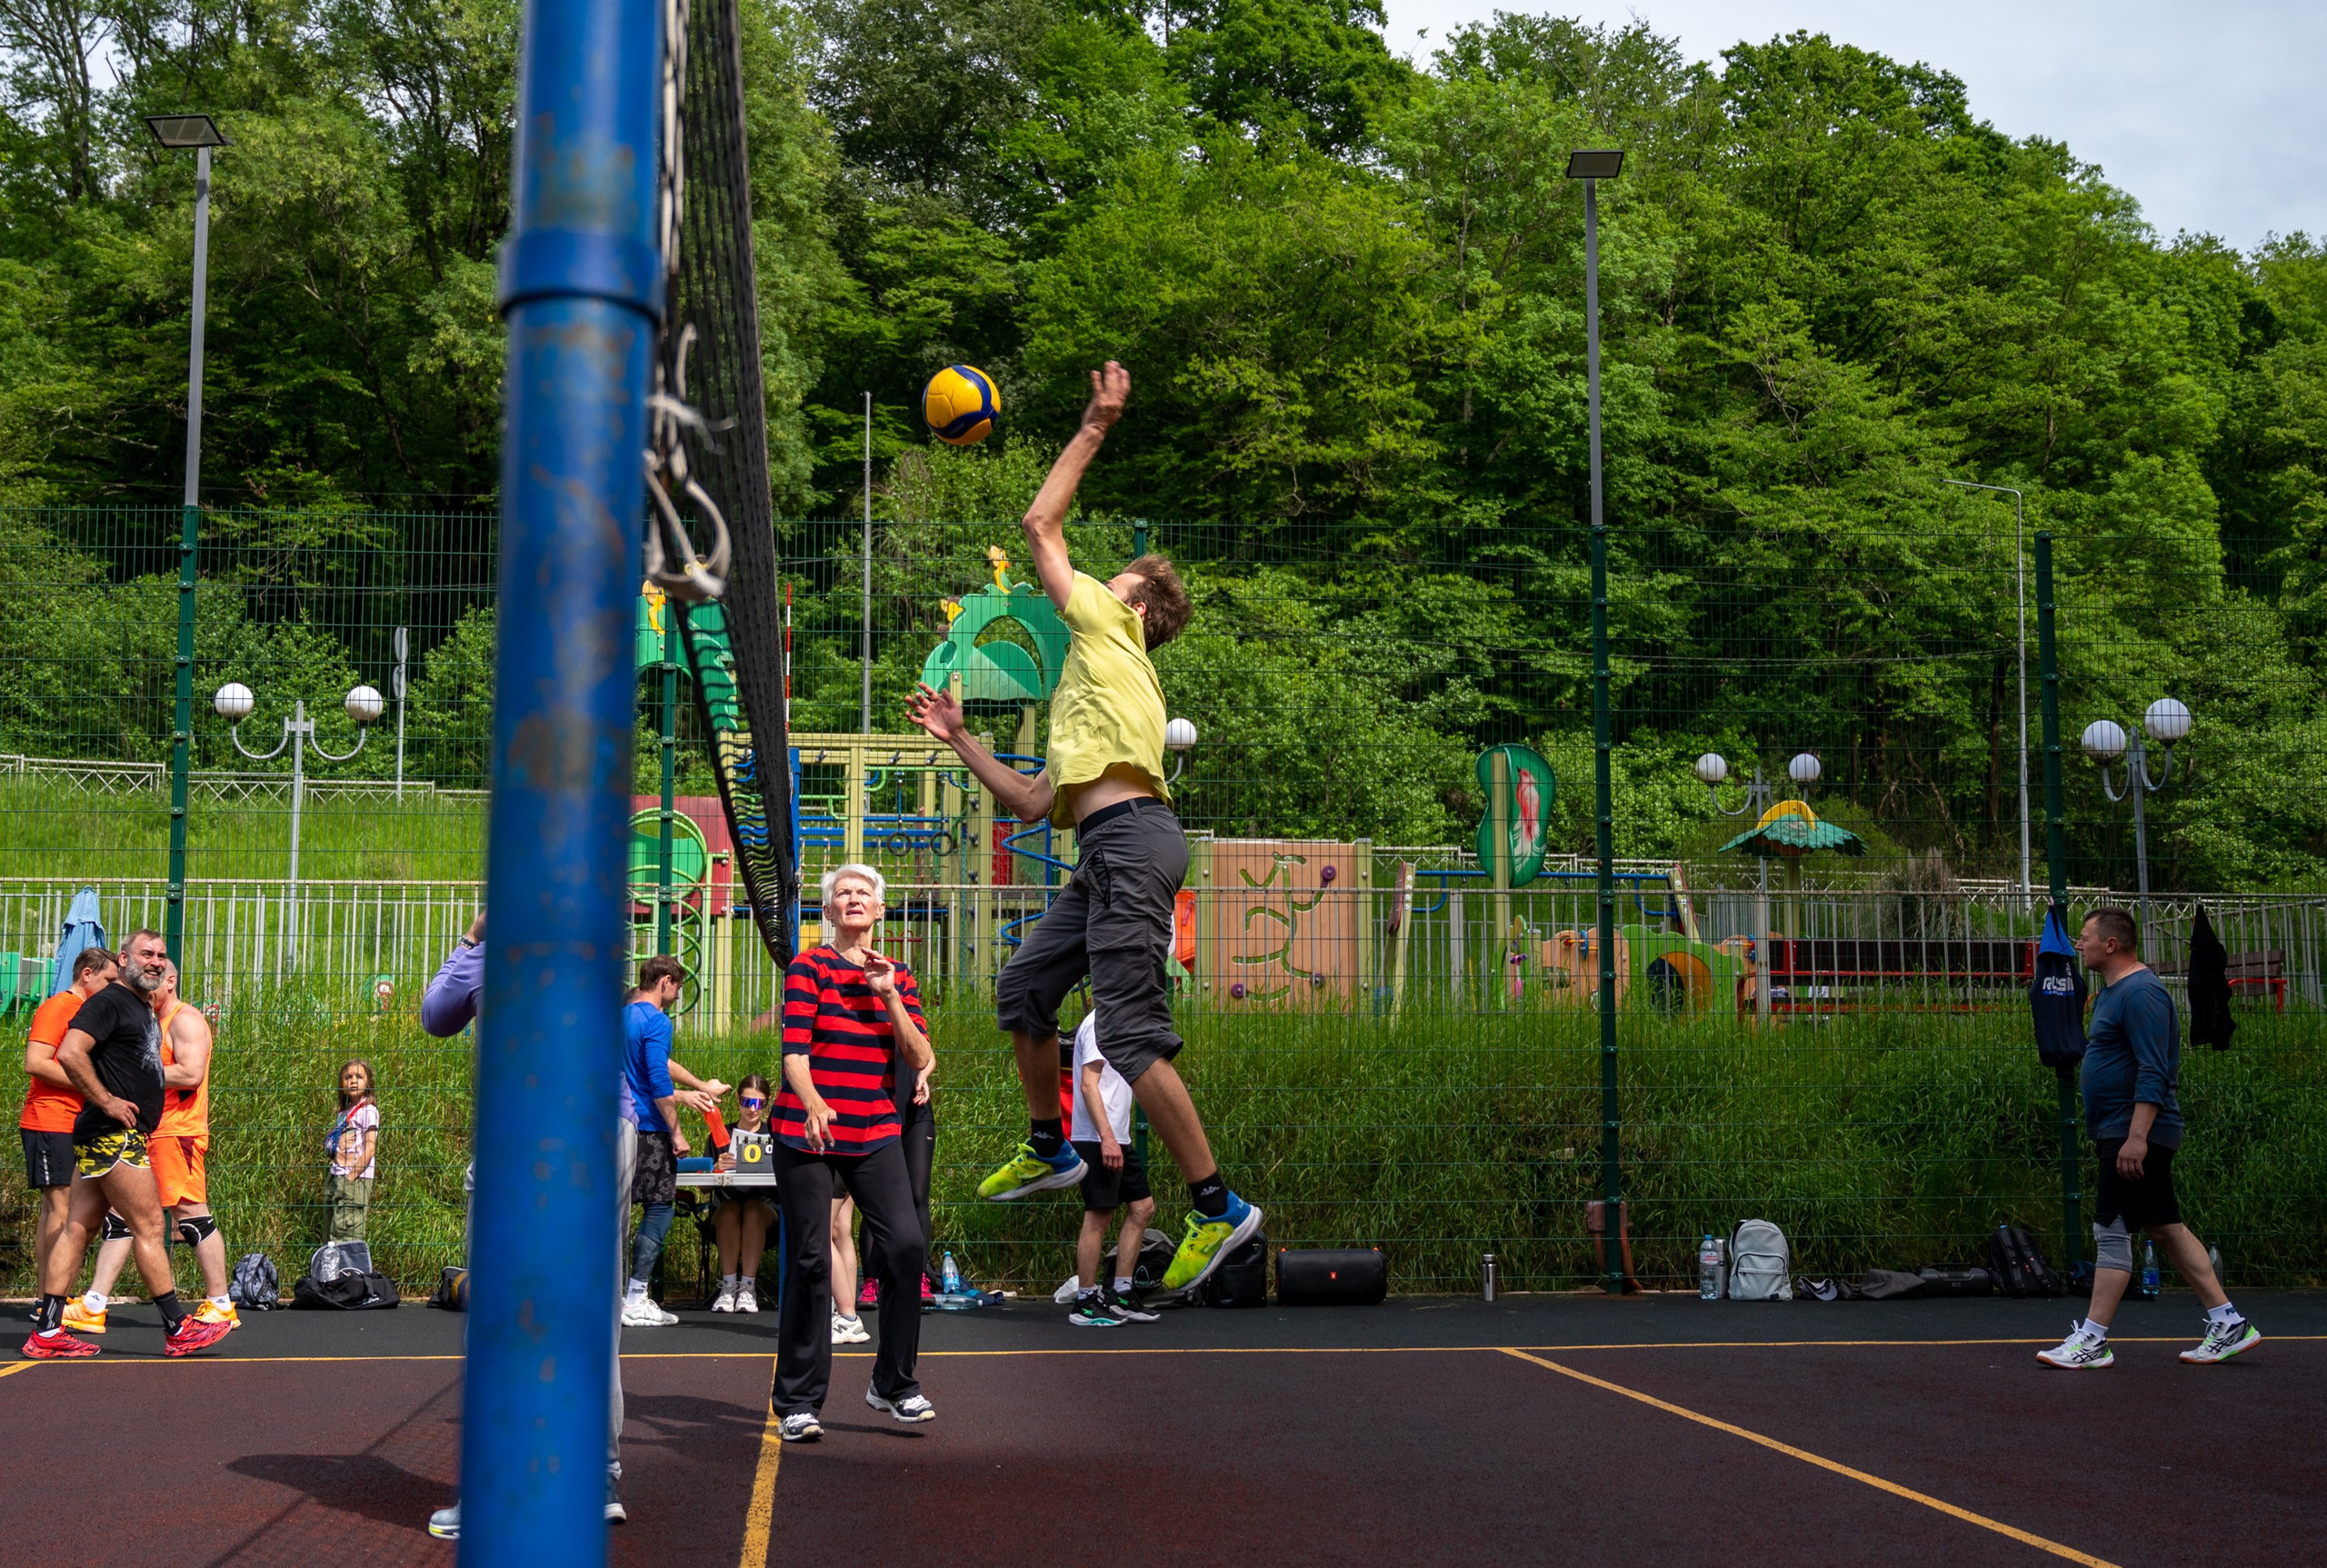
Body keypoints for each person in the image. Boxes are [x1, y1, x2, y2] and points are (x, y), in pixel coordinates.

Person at [906, 359, 1259, 1296]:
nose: (1098, 580)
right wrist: (958, 738)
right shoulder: (1092, 689)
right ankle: (1049, 1147)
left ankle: (1221, 1209)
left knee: (1134, 1039)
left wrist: (1097, 422)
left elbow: (1038, 525)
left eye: (1119, 576)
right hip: (1109, 846)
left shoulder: (1110, 631)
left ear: (1135, 603)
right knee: (1024, 990)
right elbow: (1028, 806)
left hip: (1134, 842)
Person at [421, 913, 667, 1536]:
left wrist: (474, 936)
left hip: (529, 1129)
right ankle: (598, 1478)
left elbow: (434, 1013)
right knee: (592, 1306)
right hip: (605, 1125)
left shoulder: (499, 944)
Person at [2039, 906, 2260, 1370]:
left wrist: (2136, 1138)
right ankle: (2228, 1321)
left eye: (2085, 938)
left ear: (2111, 944)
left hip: (2134, 1131)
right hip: (2122, 1128)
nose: (2079, 945)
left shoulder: (2142, 993)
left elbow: (2155, 1069)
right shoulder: (2112, 994)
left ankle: (2094, 1340)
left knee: (2111, 1227)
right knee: (2164, 1224)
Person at [770, 864, 935, 1443]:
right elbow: (794, 1054)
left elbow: (917, 1054)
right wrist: (814, 1102)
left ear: (880, 910)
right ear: (829, 910)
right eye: (842, 892)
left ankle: (892, 1384)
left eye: (864, 892)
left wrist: (888, 994)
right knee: (812, 1259)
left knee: (908, 1245)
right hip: (805, 1132)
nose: (853, 898)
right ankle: (797, 1400)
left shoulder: (900, 976)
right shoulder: (808, 966)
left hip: (873, 1130)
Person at [22, 931, 230, 1359]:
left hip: (109, 1134)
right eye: (145, 954)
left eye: (161, 956)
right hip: (113, 1134)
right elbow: (69, 1052)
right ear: (123, 958)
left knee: (79, 1226)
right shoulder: (111, 1001)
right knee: (150, 1226)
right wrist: (108, 1100)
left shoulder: (140, 1007)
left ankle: (46, 1331)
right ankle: (177, 1327)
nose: (154, 962)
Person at [75, 961, 237, 1332]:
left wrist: (133, 1073)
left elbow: (192, 1073)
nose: (147, 993)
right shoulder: (154, 1022)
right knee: (128, 1213)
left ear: (171, 981)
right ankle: (94, 1303)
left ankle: (219, 1302)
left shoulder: (185, 1019)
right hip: (155, 1131)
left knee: (187, 1214)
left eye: (154, 985)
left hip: (176, 1132)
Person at [19, 948, 118, 1312]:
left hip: (77, 1123)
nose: (113, 988)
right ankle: (47, 1300)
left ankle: (50, 1295)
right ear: (87, 974)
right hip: (50, 1121)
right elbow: (35, 1062)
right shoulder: (59, 1007)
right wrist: (92, 1086)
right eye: (109, 980)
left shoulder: (90, 1012)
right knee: (59, 1209)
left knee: (67, 1211)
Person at [1066, 1011, 1158, 1328]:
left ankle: (1120, 1292)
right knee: (1099, 1215)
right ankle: (1086, 1301)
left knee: (1143, 1208)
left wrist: (1116, 1138)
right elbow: (1089, 1085)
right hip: (1097, 1137)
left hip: (1119, 1137)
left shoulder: (1124, 1022)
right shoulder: (1097, 1024)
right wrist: (1106, 1138)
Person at [622, 955, 694, 1327]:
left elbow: (659, 1063)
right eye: (678, 987)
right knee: (660, 1206)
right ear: (665, 982)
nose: (677, 994)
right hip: (649, 1127)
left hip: (616, 1124)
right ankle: (635, 1296)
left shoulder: (620, 1017)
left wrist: (698, 1086)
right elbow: (658, 1078)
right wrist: (677, 1132)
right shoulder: (656, 1021)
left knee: (612, 1211)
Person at [709, 1074, 778, 1313]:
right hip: (726, 1204)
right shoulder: (721, 1134)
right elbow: (703, 1186)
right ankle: (728, 1287)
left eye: (759, 1103)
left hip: (764, 1206)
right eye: (747, 1102)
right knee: (730, 1210)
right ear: (738, 1101)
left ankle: (747, 1288)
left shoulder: (774, 1137)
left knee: (751, 1209)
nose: (752, 1109)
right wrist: (716, 1168)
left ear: (767, 1104)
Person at [327, 1058, 380, 1241]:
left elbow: (370, 1148)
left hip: (355, 1179)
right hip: (337, 1176)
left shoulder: (369, 1111)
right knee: (332, 1229)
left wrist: (352, 1175)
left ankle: (347, 1269)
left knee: (347, 1232)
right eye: (348, 1077)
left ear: (368, 1083)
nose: (353, 1081)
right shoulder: (344, 1112)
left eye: (359, 1076)